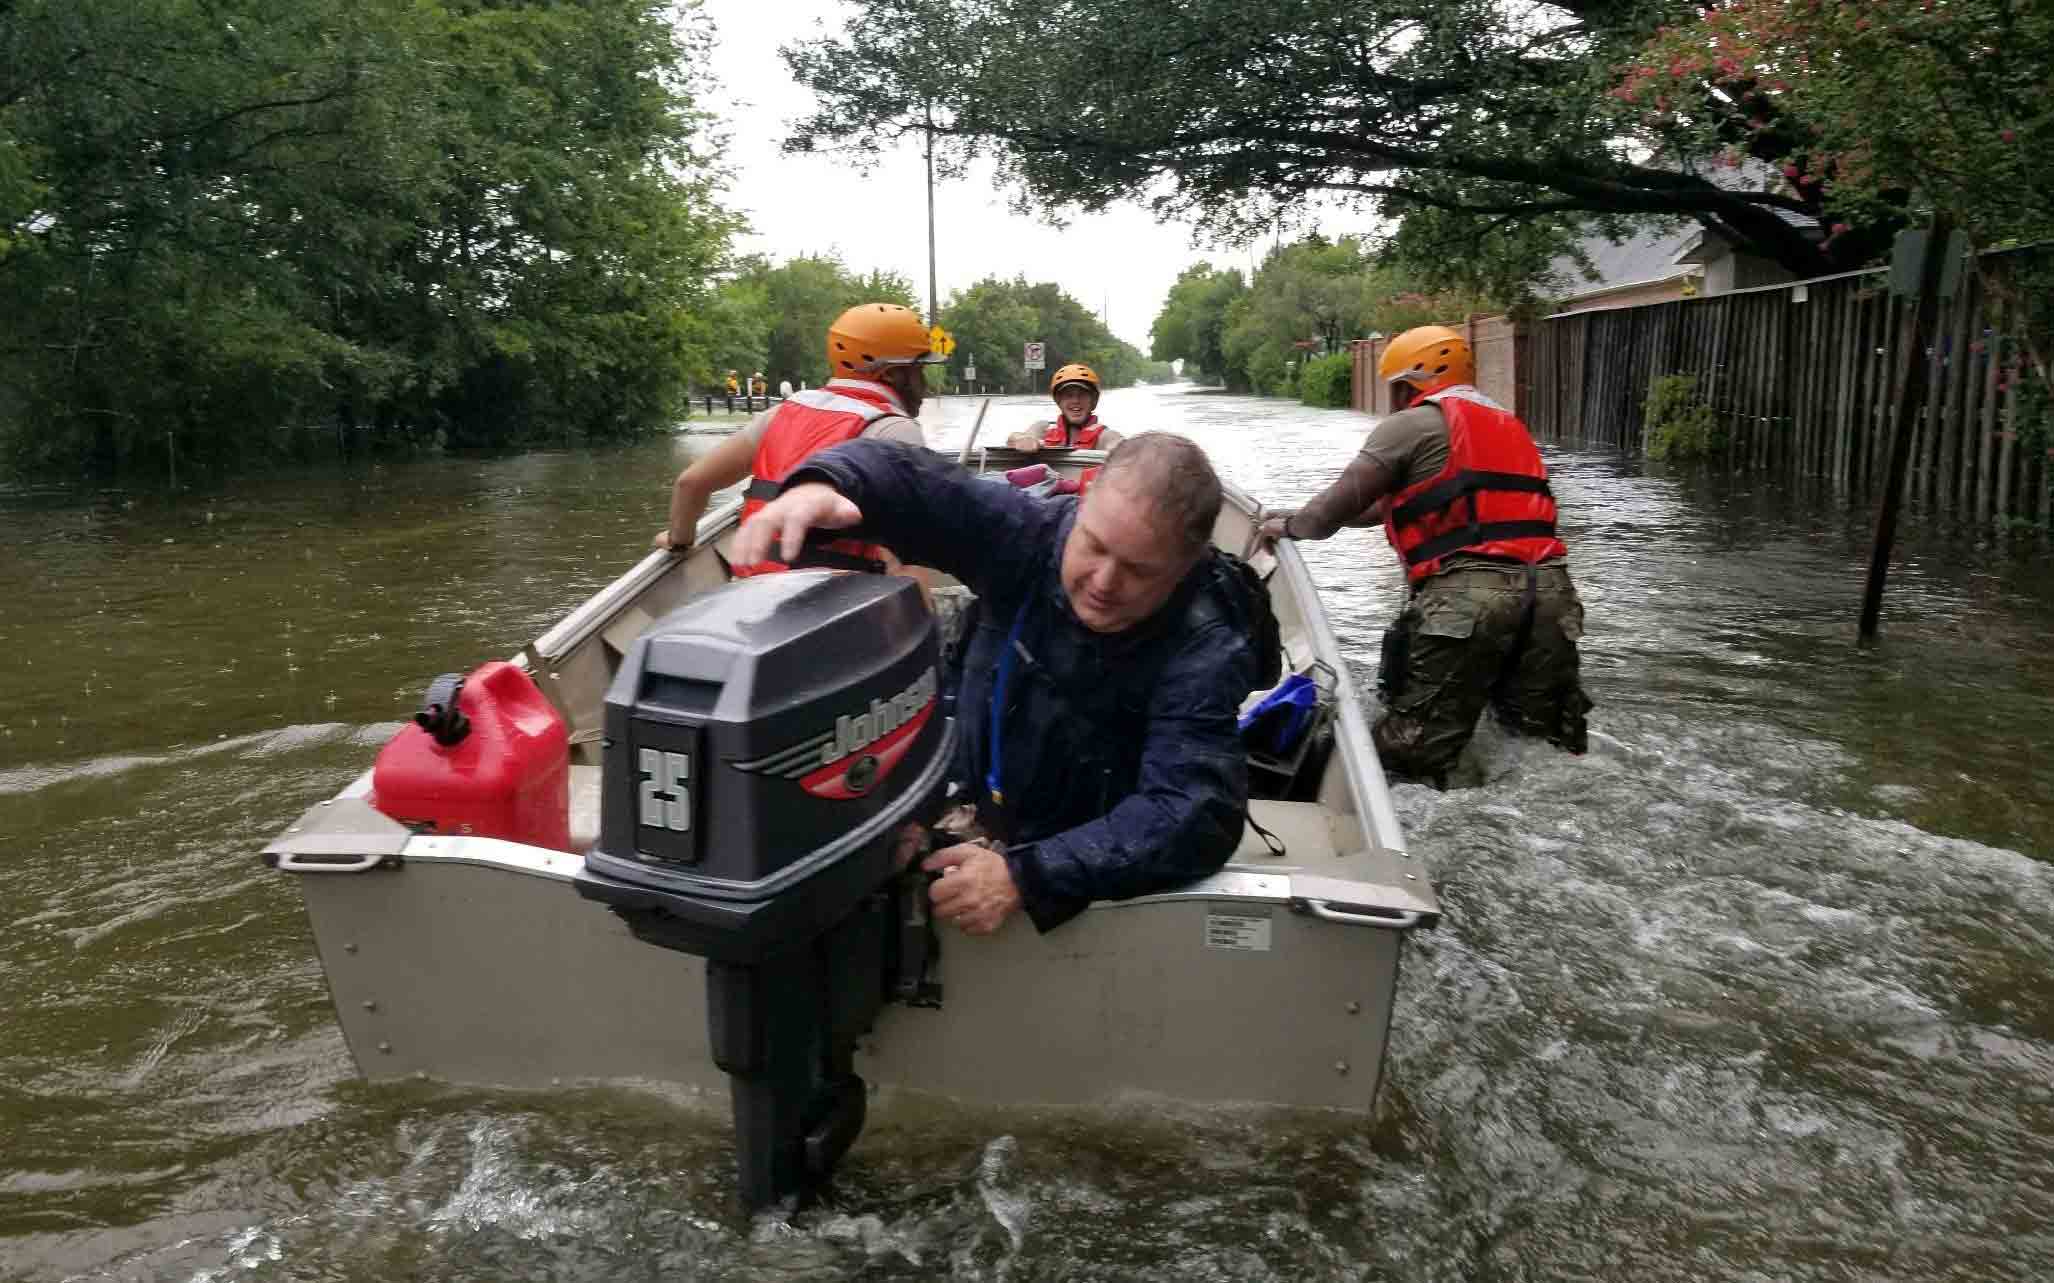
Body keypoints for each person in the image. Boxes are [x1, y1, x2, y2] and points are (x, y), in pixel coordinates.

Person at [731, 433, 1265, 937]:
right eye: (1094, 546)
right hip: (981, 790)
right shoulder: (1027, 534)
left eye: (1138, 571)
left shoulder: (1206, 642)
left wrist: (1028, 875)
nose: (1102, 582)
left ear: (1185, 566)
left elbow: (1195, 813)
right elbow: (916, 481)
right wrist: (827, 483)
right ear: (1084, 500)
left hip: (1089, 851)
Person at [1259, 324, 1591, 783]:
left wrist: (1291, 526)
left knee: (1408, 752)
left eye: (1395, 387)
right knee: (1535, 744)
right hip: (1551, 594)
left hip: (1469, 598)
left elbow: (1333, 509)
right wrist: (1303, 515)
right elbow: (1393, 507)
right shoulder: (1508, 426)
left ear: (1409, 383)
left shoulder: (1409, 425)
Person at [655, 304, 943, 573]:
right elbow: (909, 558)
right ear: (892, 375)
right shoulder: (896, 430)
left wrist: (679, 541)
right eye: (920, 371)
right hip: (838, 608)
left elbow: (691, 483)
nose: (926, 386)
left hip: (750, 597)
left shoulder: (780, 413)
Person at [1005, 364, 1123, 453]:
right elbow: (1013, 438)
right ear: (1059, 401)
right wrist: (1023, 440)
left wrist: (1121, 449)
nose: (1075, 401)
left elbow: (1119, 444)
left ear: (1094, 400)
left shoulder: (1105, 436)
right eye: (1068, 395)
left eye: (1082, 395)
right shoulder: (1043, 428)